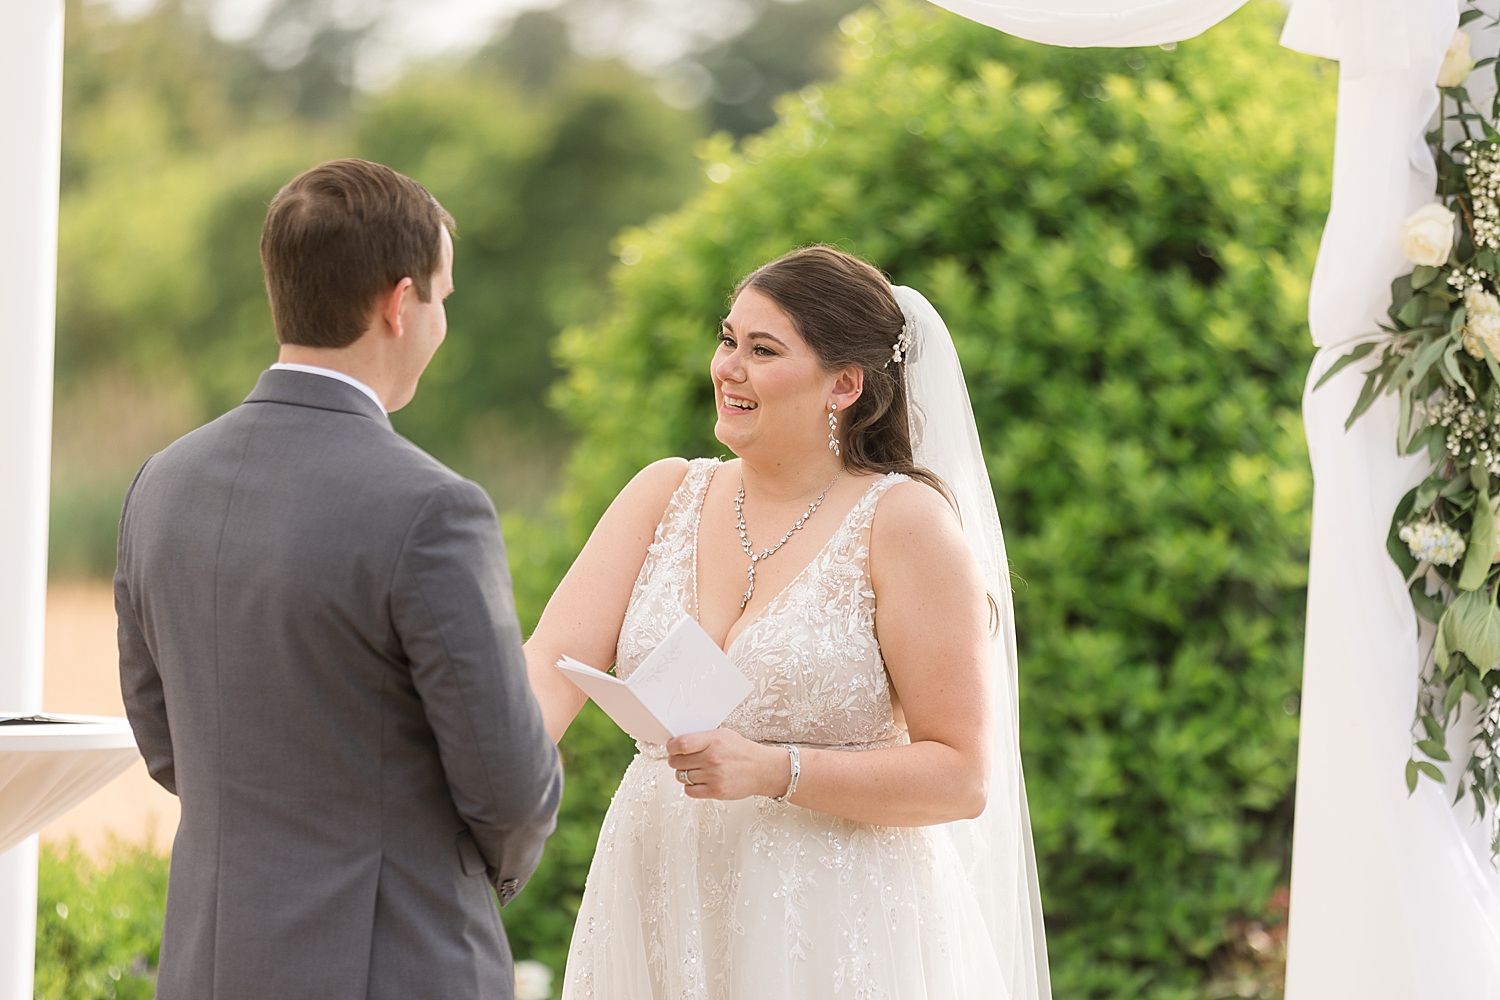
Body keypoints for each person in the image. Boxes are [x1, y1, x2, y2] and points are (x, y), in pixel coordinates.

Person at [524, 245, 1051, 999]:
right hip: (658, 895)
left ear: (844, 384)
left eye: (763, 350)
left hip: (834, 919)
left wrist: (777, 770)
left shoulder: (904, 523)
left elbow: (961, 777)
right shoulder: (663, 493)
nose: (728, 367)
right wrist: (475, 789)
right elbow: (548, 665)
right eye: (727, 339)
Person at [115, 158, 563, 1000]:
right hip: (391, 958)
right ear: (400, 303)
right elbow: (508, 788)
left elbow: (163, 735)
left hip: (209, 959)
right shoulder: (432, 506)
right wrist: (460, 876)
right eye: (443, 298)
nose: (440, 321)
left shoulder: (160, 482)